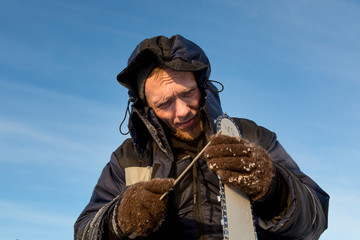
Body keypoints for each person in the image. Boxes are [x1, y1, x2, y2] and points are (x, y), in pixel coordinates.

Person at [74, 34, 329, 240]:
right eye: (164, 103)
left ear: (203, 86)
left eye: (188, 93)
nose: (183, 110)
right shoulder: (127, 158)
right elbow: (84, 232)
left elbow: (316, 220)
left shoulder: (249, 135)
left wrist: (273, 188)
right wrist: (118, 221)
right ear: (146, 109)